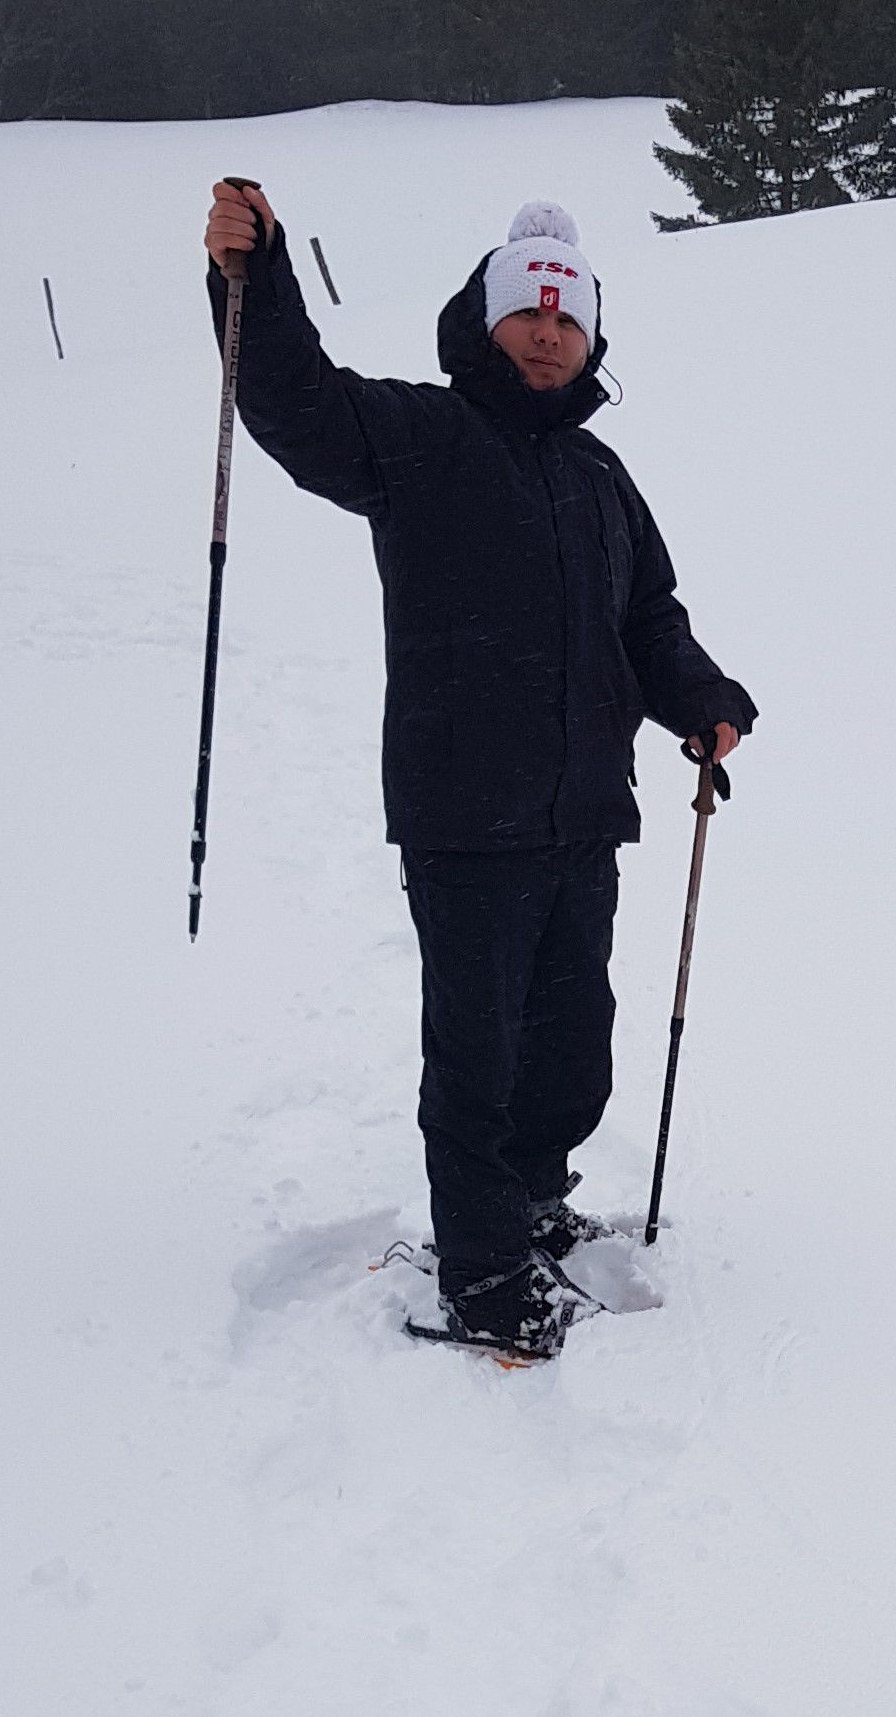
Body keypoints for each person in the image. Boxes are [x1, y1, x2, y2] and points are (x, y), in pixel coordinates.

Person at [203, 181, 756, 1359]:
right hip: (466, 820)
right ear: (487, 321)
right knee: (479, 1052)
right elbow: (295, 404)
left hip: (584, 815)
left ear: (590, 334)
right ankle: (483, 1267)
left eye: (567, 319)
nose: (548, 333)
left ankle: (534, 1199)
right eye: (528, 315)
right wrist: (255, 277)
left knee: (570, 1043)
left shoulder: (602, 478)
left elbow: (647, 618)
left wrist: (700, 701)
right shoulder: (424, 438)